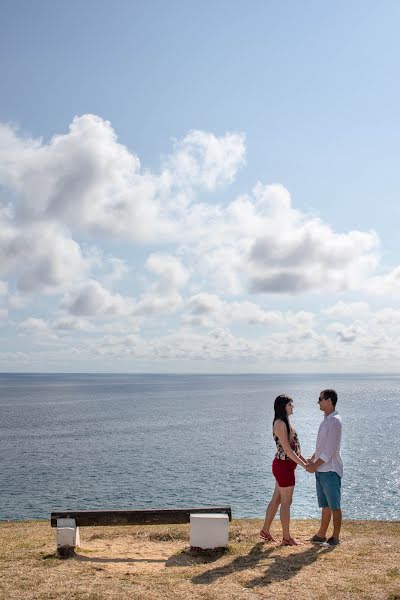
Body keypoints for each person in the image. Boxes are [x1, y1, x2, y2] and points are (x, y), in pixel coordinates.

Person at [260, 394, 308, 546]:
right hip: (284, 467)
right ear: (283, 406)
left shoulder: (285, 422)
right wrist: (304, 465)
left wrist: (305, 460)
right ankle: (286, 538)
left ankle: (265, 531)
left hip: (284, 466)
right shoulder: (280, 423)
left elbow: (294, 448)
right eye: (290, 405)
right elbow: (287, 450)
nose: (292, 407)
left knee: (277, 499)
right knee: (286, 502)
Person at [306, 389, 343, 546]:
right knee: (325, 504)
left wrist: (315, 465)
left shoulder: (335, 421)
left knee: (334, 505)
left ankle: (335, 537)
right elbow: (322, 447)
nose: (318, 402)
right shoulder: (326, 420)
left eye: (320, 399)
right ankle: (321, 534)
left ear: (329, 401)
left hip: (330, 470)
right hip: (321, 470)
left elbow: (330, 450)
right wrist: (313, 459)